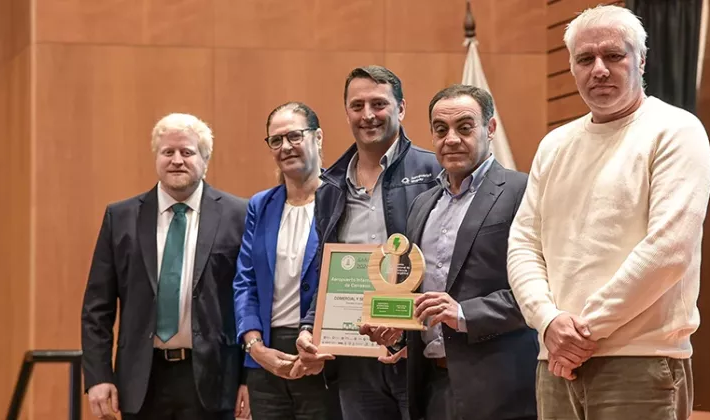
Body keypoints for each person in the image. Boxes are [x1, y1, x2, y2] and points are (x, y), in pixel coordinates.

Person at [507, 5, 710, 420]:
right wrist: (548, 322)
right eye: (585, 59)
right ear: (572, 67)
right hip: (556, 363)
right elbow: (523, 245)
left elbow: (668, 250)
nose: (598, 69)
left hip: (640, 360)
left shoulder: (676, 130)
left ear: (641, 60)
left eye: (613, 55)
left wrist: (581, 335)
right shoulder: (554, 145)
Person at [366, 85, 538, 420]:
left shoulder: (522, 191)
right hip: (430, 387)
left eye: (465, 126)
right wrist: (398, 331)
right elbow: (418, 295)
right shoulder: (422, 205)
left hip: (501, 389)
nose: (452, 139)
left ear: (490, 128)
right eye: (441, 129)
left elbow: (540, 292)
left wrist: (464, 313)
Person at [295, 65, 441, 420]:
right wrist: (310, 327)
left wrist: (413, 335)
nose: (368, 115)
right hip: (354, 356)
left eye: (379, 104)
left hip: (416, 354)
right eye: (357, 105)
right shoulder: (329, 187)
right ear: (346, 112)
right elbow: (325, 269)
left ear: (401, 109)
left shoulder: (434, 171)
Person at [81, 113, 250, 420]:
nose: (176, 160)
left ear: (205, 159)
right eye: (167, 152)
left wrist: (249, 379)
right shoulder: (120, 218)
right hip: (141, 382)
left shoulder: (239, 215)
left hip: (215, 381)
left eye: (187, 152)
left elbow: (252, 301)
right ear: (156, 157)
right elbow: (97, 307)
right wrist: (98, 376)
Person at [233, 102, 341, 419]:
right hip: (266, 356)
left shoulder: (342, 199)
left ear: (318, 137)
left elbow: (343, 281)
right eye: (276, 140)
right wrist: (255, 346)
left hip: (322, 354)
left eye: (294, 136)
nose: (285, 147)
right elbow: (245, 281)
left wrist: (316, 343)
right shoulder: (261, 205)